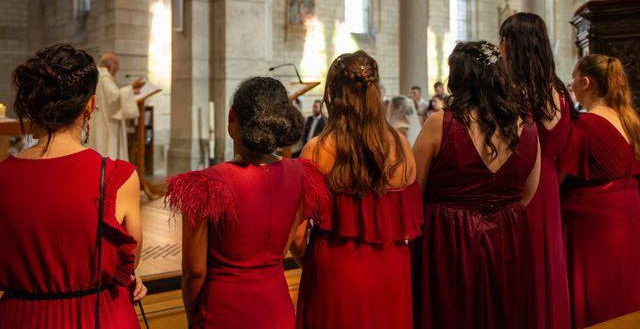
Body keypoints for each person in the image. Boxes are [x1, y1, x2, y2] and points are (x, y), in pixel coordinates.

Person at [0, 43, 145, 328]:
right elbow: (129, 262)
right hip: (100, 315)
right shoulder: (119, 177)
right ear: (90, 105)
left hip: (22, 317)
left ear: (31, 104)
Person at [166, 77, 329, 329]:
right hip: (278, 310)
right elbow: (284, 246)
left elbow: (194, 273)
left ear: (232, 117)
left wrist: (193, 320)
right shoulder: (302, 176)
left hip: (222, 312)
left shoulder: (207, 184)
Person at [413, 41, 540, 329]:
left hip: (449, 238)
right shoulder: (528, 127)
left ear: (459, 77)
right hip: (508, 235)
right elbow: (528, 192)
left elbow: (413, 190)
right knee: (505, 313)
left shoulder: (440, 123)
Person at [294, 51, 423, 329]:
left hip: (336, 270)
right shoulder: (402, 147)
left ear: (332, 93)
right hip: (392, 269)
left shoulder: (317, 150)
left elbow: (296, 235)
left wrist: (315, 264)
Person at [499, 12, 574, 329]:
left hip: (514, 192)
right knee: (547, 268)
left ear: (510, 45)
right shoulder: (559, 93)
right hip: (549, 191)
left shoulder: (508, 93)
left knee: (517, 273)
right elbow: (565, 152)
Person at [560, 55, 640, 328]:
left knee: (597, 293)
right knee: (625, 284)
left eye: (572, 78)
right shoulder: (629, 118)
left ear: (586, 82)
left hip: (594, 222)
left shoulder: (583, 125)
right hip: (627, 210)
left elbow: (558, 177)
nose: (570, 86)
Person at [87, 53, 145, 160]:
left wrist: (131, 91)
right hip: (106, 123)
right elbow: (114, 98)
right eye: (117, 65)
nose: (118, 69)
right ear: (112, 65)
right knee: (106, 151)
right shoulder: (104, 77)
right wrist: (131, 88)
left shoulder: (98, 75)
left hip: (99, 119)